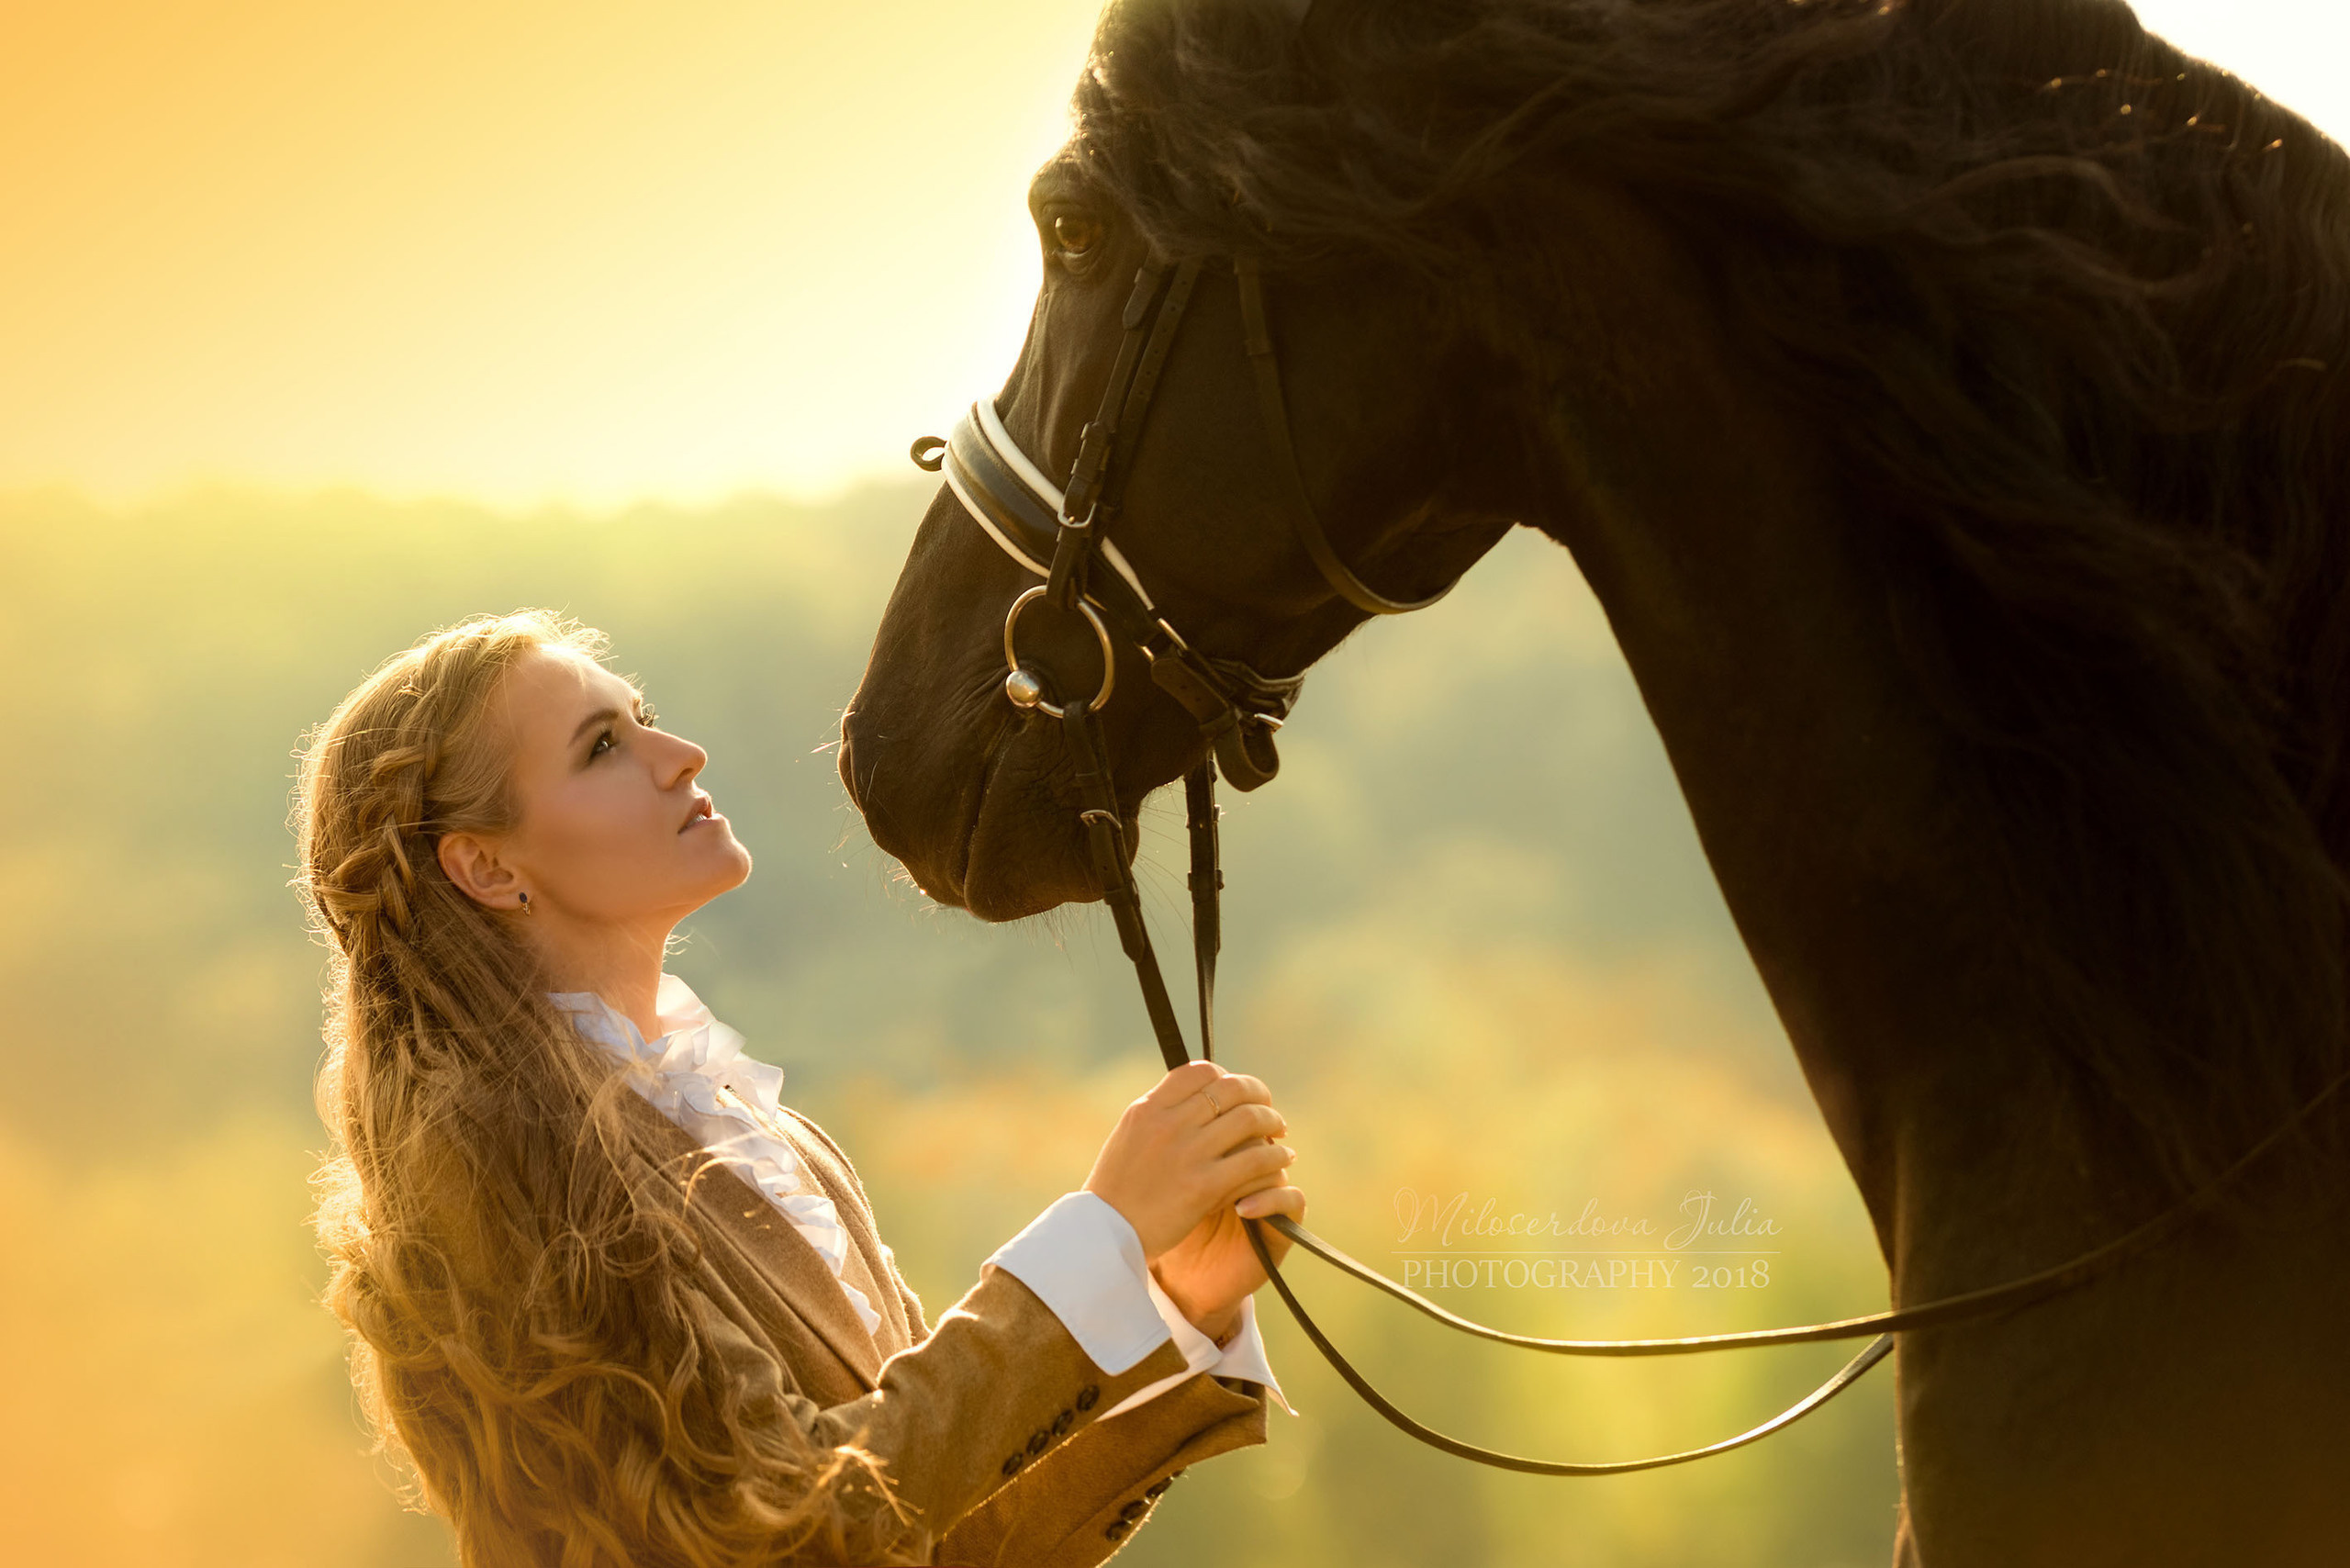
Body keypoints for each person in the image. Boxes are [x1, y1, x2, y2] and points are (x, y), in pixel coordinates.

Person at [294, 610, 1305, 1567]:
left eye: (641, 716)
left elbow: (922, 1533)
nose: (678, 752)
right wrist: (1096, 1240)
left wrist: (1168, 1298)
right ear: (484, 865)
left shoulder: (758, 1127)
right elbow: (785, 1534)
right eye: (602, 746)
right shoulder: (511, 1175)